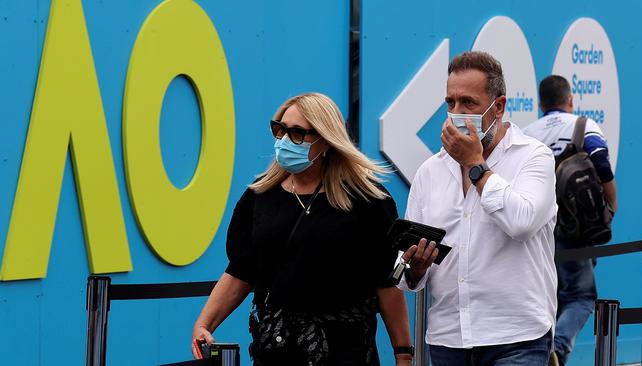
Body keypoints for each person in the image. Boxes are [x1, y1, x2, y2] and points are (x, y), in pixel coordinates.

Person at [191, 92, 412, 365]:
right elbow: (240, 271)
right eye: (280, 129)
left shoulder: (368, 201)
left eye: (297, 133)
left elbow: (386, 282)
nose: (284, 140)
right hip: (276, 350)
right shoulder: (259, 197)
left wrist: (403, 353)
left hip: (344, 351)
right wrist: (205, 324)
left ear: (326, 141)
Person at [399, 51, 558, 365]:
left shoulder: (534, 157)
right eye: (450, 102)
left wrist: (474, 163)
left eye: (468, 103)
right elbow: (407, 273)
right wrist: (415, 268)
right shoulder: (429, 172)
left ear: (498, 107)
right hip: (448, 339)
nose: (456, 112)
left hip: (516, 338)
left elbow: (521, 223)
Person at [524, 75, 617, 366]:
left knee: (543, 296)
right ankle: (558, 349)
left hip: (535, 227)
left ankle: (540, 352)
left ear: (540, 104)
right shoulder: (583, 125)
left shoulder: (526, 133)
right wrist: (611, 204)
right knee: (580, 296)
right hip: (575, 226)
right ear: (570, 100)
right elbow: (600, 159)